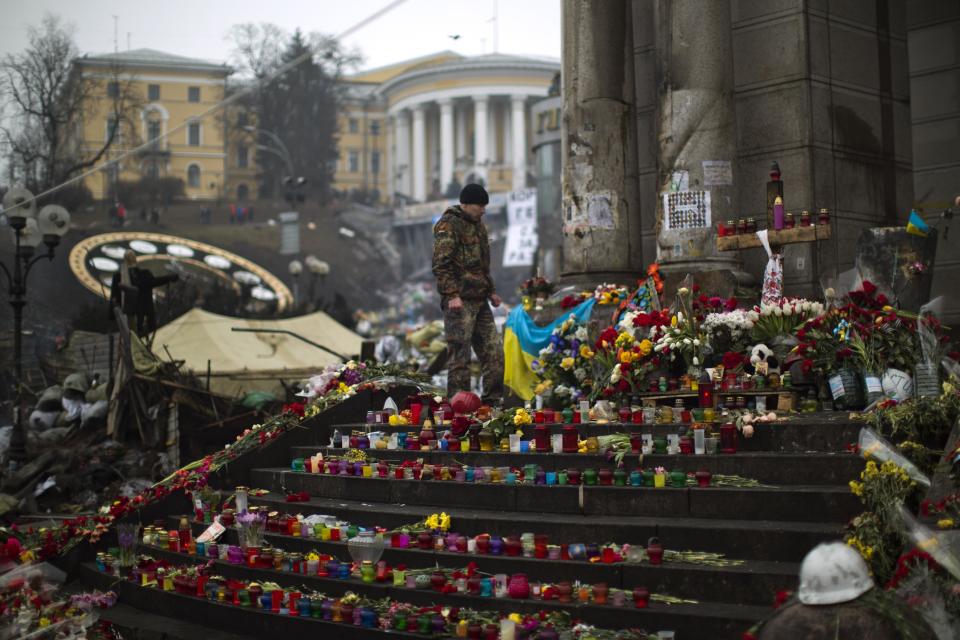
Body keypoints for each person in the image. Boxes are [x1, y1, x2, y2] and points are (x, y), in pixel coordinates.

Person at [432, 183, 503, 405]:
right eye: (479, 205)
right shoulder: (448, 225)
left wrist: (491, 291)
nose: (483, 210)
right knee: (460, 359)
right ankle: (459, 406)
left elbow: (482, 264)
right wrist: (452, 294)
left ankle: (492, 403)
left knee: (494, 353)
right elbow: (441, 264)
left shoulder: (479, 226)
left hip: (480, 300)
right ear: (465, 204)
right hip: (459, 302)